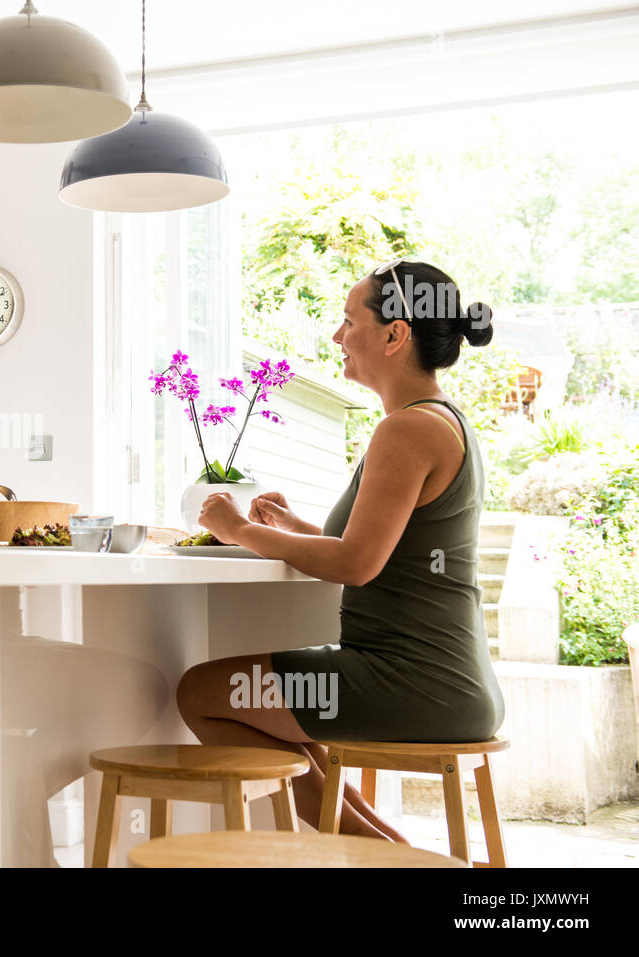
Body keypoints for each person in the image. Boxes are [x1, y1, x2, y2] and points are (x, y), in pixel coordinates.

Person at [175, 260, 504, 842]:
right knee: (281, 716)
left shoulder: (407, 429)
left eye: (349, 320)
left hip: (415, 681)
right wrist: (289, 524)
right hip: (444, 681)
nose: (336, 337)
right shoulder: (434, 421)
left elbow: (356, 564)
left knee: (200, 692)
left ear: (395, 334)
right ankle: (396, 855)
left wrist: (238, 529)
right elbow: (368, 547)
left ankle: (383, 859)